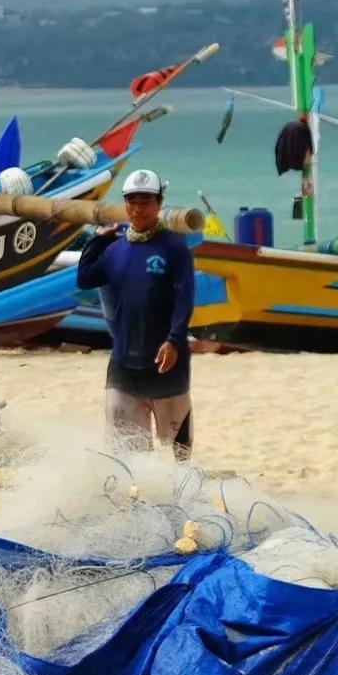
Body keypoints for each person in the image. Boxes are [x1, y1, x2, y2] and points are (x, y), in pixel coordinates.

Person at [76, 167, 196, 457]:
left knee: (178, 453)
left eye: (146, 201)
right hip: (123, 367)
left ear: (159, 203)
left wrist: (175, 340)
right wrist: (99, 239)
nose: (138, 208)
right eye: (132, 201)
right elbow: (85, 278)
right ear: (126, 204)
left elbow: (185, 298)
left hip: (167, 365)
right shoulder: (115, 250)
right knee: (127, 455)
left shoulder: (174, 248)